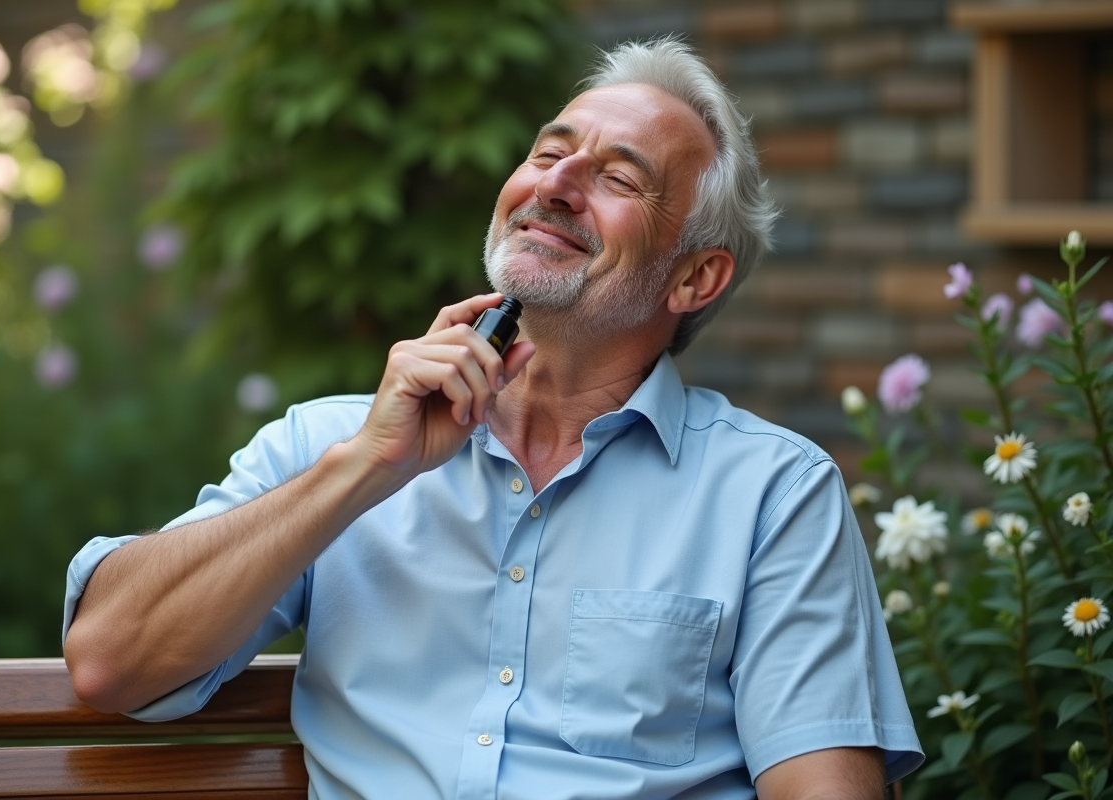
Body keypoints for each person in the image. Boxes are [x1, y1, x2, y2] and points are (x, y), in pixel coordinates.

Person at [63, 38, 923, 800]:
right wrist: (364, 468)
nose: (555, 184)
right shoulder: (331, 446)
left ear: (694, 278)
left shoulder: (773, 495)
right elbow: (110, 659)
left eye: (618, 177)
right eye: (549, 153)